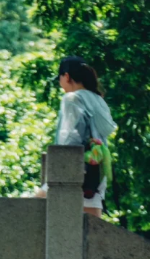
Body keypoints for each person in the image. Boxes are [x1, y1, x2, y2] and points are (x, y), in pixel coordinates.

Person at [55, 55, 116, 218]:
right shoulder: (98, 99)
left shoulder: (72, 98)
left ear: (66, 76)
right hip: (96, 170)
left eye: (60, 78)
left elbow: (69, 138)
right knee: (91, 227)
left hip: (74, 169)